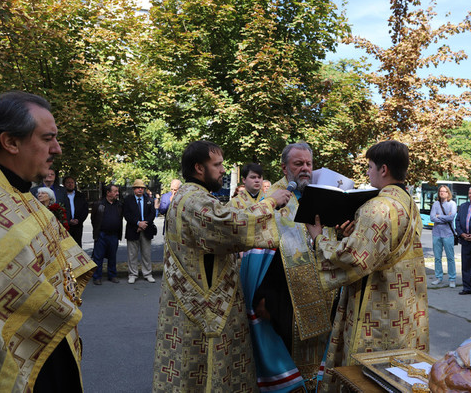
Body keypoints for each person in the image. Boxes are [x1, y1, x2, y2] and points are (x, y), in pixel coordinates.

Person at [152, 140, 291, 391]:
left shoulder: (190, 196)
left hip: (193, 302)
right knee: (205, 371)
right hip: (204, 308)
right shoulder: (193, 199)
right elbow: (228, 226)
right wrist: (270, 203)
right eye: (217, 165)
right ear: (199, 168)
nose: (223, 170)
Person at [0, 91, 96, 391]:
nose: (57, 149)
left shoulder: (19, 192)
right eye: (48, 138)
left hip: (52, 351)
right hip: (18, 365)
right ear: (10, 142)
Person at [307, 140, 429, 392]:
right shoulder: (407, 202)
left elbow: (353, 258)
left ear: (383, 169)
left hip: (377, 303)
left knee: (366, 378)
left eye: (370, 166)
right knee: (397, 374)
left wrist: (320, 238)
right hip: (404, 305)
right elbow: (380, 249)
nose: (367, 172)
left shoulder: (378, 207)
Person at [251, 142, 337, 389]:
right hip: (284, 297)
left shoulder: (321, 196)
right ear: (284, 167)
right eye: (298, 164)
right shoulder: (272, 199)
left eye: (309, 164)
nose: (305, 169)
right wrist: (264, 294)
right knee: (288, 355)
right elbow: (261, 253)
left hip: (324, 291)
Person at [123, 179, 157, 284]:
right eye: (138, 188)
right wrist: (138, 223)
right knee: (132, 254)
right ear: (134, 189)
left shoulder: (149, 200)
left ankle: (147, 274)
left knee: (146, 254)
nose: (140, 190)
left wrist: (144, 224)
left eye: (142, 188)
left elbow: (152, 213)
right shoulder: (128, 200)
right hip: (133, 230)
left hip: (146, 230)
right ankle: (133, 274)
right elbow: (126, 214)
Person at [91, 184, 123, 285]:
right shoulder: (99, 204)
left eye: (117, 191)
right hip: (101, 235)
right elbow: (93, 219)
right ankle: (97, 277)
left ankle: (112, 275)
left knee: (112, 256)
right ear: (108, 193)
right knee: (98, 257)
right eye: (115, 191)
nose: (117, 193)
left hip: (114, 235)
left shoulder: (119, 205)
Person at [430, 184, 457, 288]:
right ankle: (438, 277)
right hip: (436, 234)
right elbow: (432, 218)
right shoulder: (436, 204)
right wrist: (444, 217)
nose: (442, 193)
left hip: (448, 234)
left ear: (448, 193)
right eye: (440, 191)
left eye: (444, 191)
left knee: (450, 257)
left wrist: (439, 216)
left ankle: (452, 279)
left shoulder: (452, 204)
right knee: (437, 258)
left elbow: (451, 217)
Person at [62, 175, 89, 247]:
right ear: (64, 184)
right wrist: (68, 220)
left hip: (78, 226)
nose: (70, 184)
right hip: (65, 226)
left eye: (72, 182)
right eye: (68, 182)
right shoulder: (62, 196)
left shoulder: (80, 196)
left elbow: (85, 210)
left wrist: (79, 220)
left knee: (77, 246)